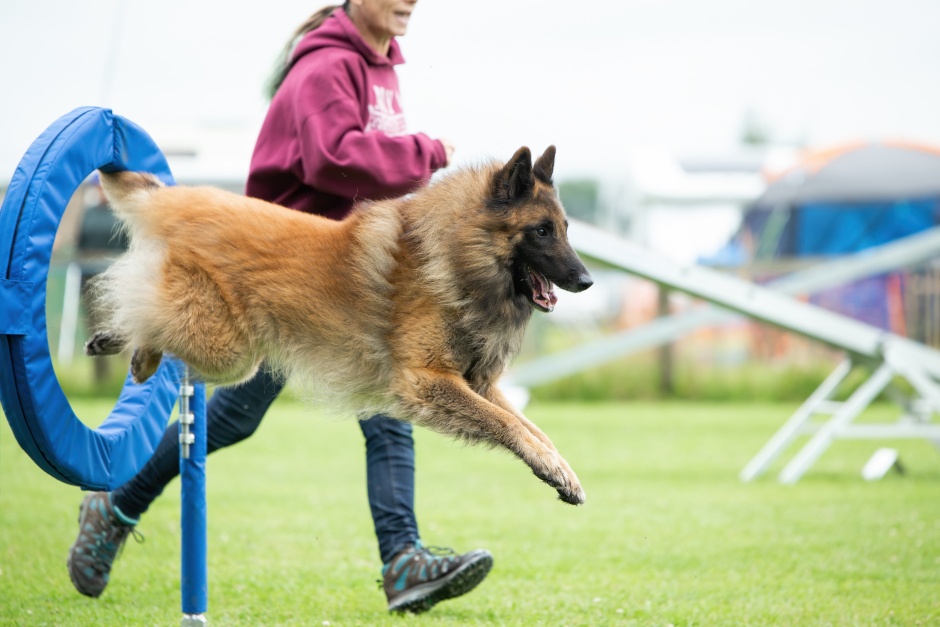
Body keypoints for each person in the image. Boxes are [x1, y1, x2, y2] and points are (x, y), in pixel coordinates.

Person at [68, 0, 493, 614]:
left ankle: (403, 561)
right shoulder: (323, 66)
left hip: (351, 283)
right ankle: (117, 499)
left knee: (388, 411)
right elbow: (333, 158)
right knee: (241, 412)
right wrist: (426, 152)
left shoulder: (381, 70)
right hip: (280, 274)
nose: (409, 2)